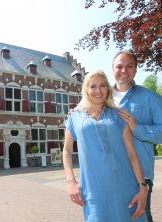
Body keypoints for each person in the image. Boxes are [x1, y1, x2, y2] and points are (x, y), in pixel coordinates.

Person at [62, 70, 148, 222]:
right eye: (93, 86)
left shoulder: (119, 115)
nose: (98, 91)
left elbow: (132, 154)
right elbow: (67, 151)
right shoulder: (74, 116)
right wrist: (71, 181)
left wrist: (143, 188)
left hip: (127, 189)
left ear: (108, 88)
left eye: (102, 85)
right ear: (86, 90)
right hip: (94, 193)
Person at [112, 50, 162, 222]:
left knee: (139, 218)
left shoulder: (151, 97)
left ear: (136, 70)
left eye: (129, 66)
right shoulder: (101, 98)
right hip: (109, 175)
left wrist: (137, 128)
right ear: (113, 69)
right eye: (119, 66)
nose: (123, 70)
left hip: (140, 177)